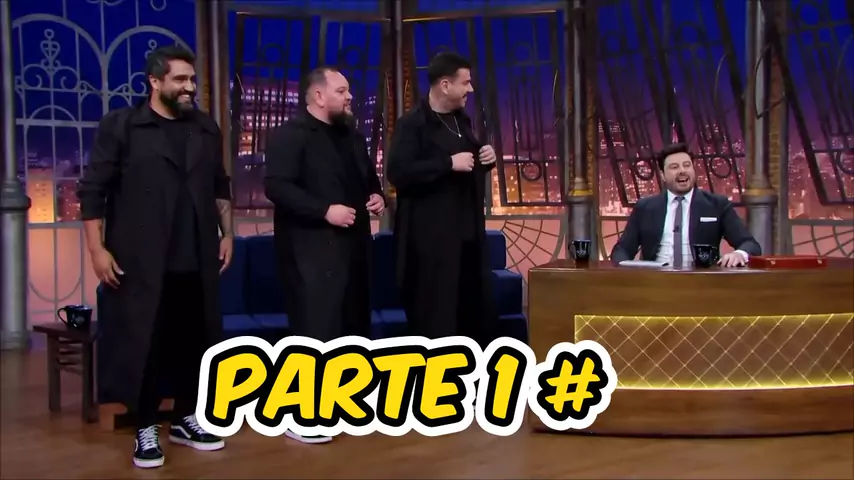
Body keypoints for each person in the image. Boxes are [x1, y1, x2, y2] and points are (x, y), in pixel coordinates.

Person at [77, 46, 232, 469]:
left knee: (194, 342)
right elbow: (93, 191)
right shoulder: (123, 127)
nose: (190, 87)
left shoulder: (205, 128)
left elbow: (220, 185)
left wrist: (228, 234)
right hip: (140, 259)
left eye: (192, 80)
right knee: (146, 344)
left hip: (196, 256)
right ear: (155, 82)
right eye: (180, 80)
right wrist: (96, 249)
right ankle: (145, 426)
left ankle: (185, 418)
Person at [263, 66, 385, 444]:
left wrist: (377, 195)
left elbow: (368, 180)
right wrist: (324, 210)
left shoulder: (353, 136)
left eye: (348, 91)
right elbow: (277, 187)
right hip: (309, 249)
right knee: (315, 326)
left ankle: (343, 401)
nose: (350, 97)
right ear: (318, 96)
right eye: (342, 91)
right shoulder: (290, 135)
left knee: (351, 322)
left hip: (354, 247)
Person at [386, 52, 499, 349]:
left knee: (472, 317)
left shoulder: (462, 121)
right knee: (436, 322)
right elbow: (398, 172)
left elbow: (468, 165)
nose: (470, 89)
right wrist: (447, 164)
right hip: (430, 248)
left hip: (467, 240)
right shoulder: (412, 124)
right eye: (466, 82)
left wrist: (486, 158)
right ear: (445, 85)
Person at [610, 142, 761, 267]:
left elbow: (749, 244)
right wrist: (628, 270)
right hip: (655, 282)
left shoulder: (717, 205)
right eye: (674, 167)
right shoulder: (645, 208)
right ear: (662, 175)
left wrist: (738, 254)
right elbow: (622, 250)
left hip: (702, 283)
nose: (682, 171)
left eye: (687, 165)